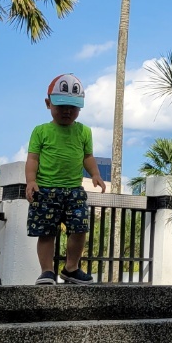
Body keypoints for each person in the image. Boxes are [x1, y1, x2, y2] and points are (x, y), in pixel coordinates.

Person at [26, 72, 107, 284]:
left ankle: (71, 268)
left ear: (80, 108)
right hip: (45, 189)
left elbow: (87, 157)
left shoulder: (84, 132)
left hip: (74, 190)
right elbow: (33, 159)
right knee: (46, 232)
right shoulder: (41, 131)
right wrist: (31, 181)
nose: (67, 111)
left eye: (73, 107)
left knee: (80, 228)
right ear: (48, 104)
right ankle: (47, 271)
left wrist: (96, 174)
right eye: (61, 106)